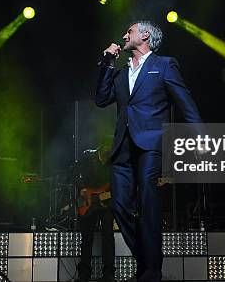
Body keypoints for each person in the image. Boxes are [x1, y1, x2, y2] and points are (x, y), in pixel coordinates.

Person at [95, 21, 203, 281]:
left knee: (148, 204)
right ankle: (146, 261)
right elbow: (100, 100)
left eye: (129, 31)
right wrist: (108, 63)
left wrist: (200, 136)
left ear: (145, 35)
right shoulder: (120, 72)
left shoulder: (164, 64)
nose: (124, 35)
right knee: (119, 206)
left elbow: (184, 100)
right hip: (122, 147)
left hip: (151, 143)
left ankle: (151, 270)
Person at [75, 147, 115, 282]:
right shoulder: (88, 158)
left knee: (108, 236)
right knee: (86, 238)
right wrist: (82, 189)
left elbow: (116, 183)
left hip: (106, 202)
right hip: (88, 202)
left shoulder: (113, 162)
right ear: (102, 148)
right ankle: (84, 273)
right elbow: (75, 174)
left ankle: (109, 273)